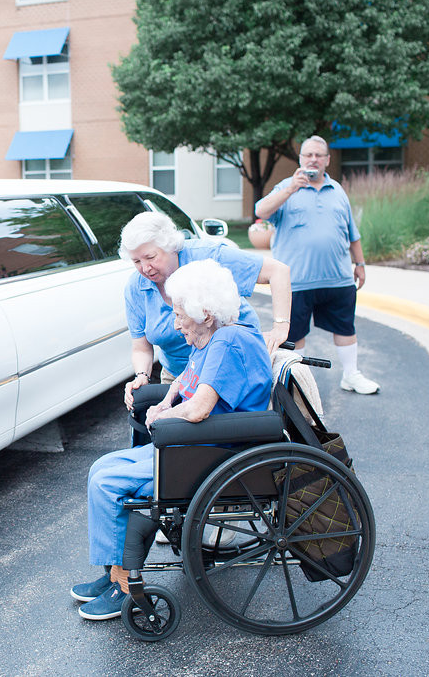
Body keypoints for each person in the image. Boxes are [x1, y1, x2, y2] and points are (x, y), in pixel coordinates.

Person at [71, 259, 273, 621]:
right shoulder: (214, 336)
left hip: (210, 454)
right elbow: (186, 378)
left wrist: (164, 416)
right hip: (195, 447)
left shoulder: (229, 342)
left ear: (206, 314)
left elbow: (199, 408)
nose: (175, 322)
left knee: (107, 480)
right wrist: (165, 400)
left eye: (180, 314)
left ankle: (122, 584)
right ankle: (113, 572)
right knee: (102, 467)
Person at [121, 211, 291, 414]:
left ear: (170, 246)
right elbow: (141, 348)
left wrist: (281, 327)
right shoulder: (136, 287)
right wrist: (142, 376)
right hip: (184, 371)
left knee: (201, 421)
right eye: (136, 261)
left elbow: (277, 271)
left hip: (228, 367)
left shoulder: (209, 256)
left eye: (150, 257)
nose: (145, 268)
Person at [254, 135, 379, 395]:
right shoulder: (286, 187)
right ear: (300, 159)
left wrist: (360, 263)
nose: (313, 159)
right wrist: (290, 190)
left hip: (338, 279)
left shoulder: (338, 191)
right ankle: (296, 384)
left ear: (327, 160)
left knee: (346, 328)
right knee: (295, 335)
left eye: (318, 155)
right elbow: (261, 211)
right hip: (296, 281)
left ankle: (351, 375)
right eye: (308, 154)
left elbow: (351, 232)